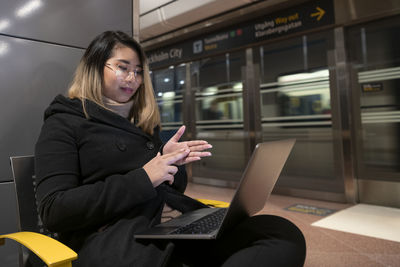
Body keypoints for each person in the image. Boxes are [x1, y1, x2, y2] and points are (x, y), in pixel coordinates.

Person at [35, 31, 306, 267]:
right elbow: (54, 211)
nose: (133, 78)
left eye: (139, 71)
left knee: (282, 233)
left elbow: (170, 190)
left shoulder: (142, 122)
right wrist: (144, 177)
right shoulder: (65, 122)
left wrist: (171, 163)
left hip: (171, 224)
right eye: (123, 67)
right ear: (95, 67)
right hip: (123, 239)